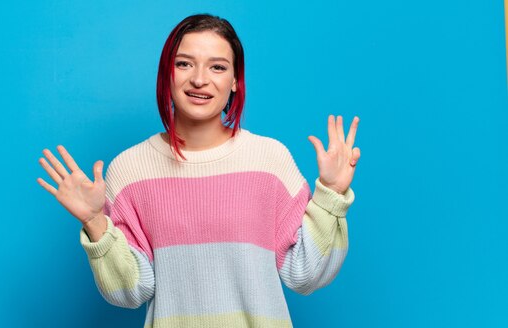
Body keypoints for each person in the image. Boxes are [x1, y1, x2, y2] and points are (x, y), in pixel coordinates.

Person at [37, 13, 360, 328]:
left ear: (235, 80)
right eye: (184, 64)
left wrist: (331, 196)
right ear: (168, 73)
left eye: (217, 67)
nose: (199, 79)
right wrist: (95, 222)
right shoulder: (130, 170)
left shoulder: (269, 160)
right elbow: (130, 292)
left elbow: (305, 274)